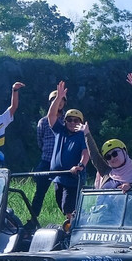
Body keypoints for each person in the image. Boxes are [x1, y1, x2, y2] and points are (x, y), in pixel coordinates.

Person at [47, 80, 90, 220]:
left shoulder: (82, 135)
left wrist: (81, 165)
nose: (72, 123)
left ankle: (72, 228)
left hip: (73, 178)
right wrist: (59, 98)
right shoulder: (60, 131)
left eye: (76, 120)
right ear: (65, 121)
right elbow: (51, 116)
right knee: (62, 206)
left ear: (80, 123)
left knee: (68, 207)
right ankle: (72, 226)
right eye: (69, 120)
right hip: (59, 176)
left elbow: (86, 152)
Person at [30, 89, 64, 221]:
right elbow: (40, 141)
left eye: (61, 100)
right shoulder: (43, 122)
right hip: (46, 160)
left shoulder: (69, 119)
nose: (58, 103)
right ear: (50, 102)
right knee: (39, 192)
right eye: (55, 100)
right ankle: (33, 220)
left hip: (62, 162)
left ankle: (70, 220)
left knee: (62, 193)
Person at [83, 123, 132, 190]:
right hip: (103, 200)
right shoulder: (106, 171)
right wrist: (87, 133)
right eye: (108, 157)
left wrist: (130, 187)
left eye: (115, 154)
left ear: (124, 151)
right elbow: (94, 155)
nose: (112, 158)